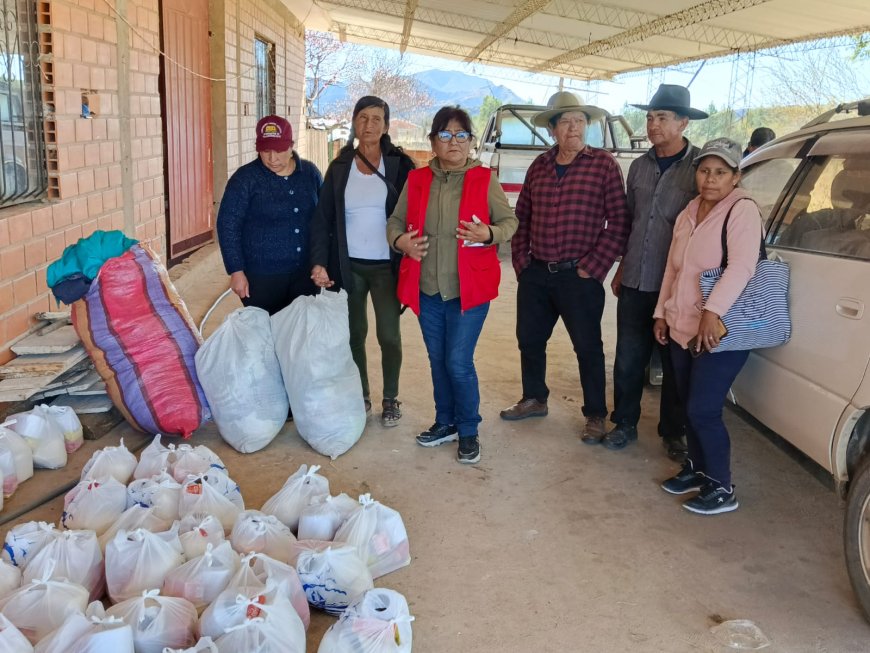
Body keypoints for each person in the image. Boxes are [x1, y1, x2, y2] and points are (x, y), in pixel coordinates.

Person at [386, 106, 517, 465]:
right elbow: (395, 222)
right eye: (445, 135)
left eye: (461, 135)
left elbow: (509, 222)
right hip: (427, 288)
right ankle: (444, 422)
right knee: (437, 359)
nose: (453, 142)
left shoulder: (483, 179)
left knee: (458, 362)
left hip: (468, 291)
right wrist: (402, 243)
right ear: (433, 142)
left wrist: (488, 233)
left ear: (471, 142)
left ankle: (468, 429)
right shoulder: (417, 181)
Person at [499, 91, 630, 443]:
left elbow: (619, 221)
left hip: (580, 275)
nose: (574, 128)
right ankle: (534, 398)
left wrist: (594, 267)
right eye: (566, 122)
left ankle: (596, 415)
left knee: (587, 347)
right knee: (529, 339)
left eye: (580, 121)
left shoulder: (603, 165)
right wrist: (523, 264)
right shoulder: (539, 166)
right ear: (553, 130)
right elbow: (521, 217)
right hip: (537, 272)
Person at [653, 138, 763, 515]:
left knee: (702, 409)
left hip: (720, 330)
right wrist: (662, 312)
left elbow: (743, 267)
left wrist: (711, 312)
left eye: (720, 172)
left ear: (736, 176)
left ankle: (721, 486)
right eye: (704, 171)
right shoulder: (689, 210)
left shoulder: (742, 210)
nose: (710, 179)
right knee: (687, 404)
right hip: (681, 323)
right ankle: (698, 469)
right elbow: (674, 267)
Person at [604, 84, 709, 456]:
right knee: (629, 357)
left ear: (682, 122)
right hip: (635, 278)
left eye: (662, 118)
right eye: (649, 118)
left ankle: (672, 433)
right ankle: (624, 423)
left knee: (674, 362)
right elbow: (629, 221)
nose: (653, 125)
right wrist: (619, 267)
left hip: (679, 285)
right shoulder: (638, 167)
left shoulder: (699, 170)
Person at [310, 96, 416, 428]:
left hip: (386, 267)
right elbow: (322, 219)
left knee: (389, 335)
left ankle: (390, 398)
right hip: (349, 266)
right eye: (362, 118)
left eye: (376, 119)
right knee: (354, 334)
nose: (369, 125)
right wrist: (319, 262)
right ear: (354, 122)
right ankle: (362, 395)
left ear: (386, 125)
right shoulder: (340, 167)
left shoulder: (400, 165)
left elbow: (416, 213)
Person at [217, 115, 323, 315]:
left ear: (291, 146)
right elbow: (228, 225)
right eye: (266, 151)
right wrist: (236, 271)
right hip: (261, 278)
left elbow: (324, 219)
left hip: (305, 275)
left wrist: (322, 263)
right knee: (266, 333)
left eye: (280, 150)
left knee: (299, 334)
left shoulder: (310, 174)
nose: (272, 158)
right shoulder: (245, 179)